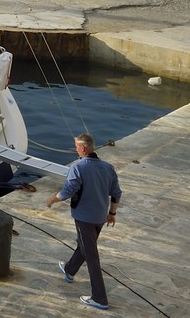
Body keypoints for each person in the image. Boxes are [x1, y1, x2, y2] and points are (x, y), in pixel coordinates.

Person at [46, 132, 121, 310]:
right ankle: (70, 270)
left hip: (84, 218)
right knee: (85, 244)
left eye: (77, 146)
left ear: (83, 148)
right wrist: (112, 213)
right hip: (100, 217)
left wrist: (53, 200)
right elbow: (116, 193)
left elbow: (68, 191)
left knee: (91, 256)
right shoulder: (108, 167)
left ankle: (99, 298)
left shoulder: (78, 167)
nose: (75, 149)